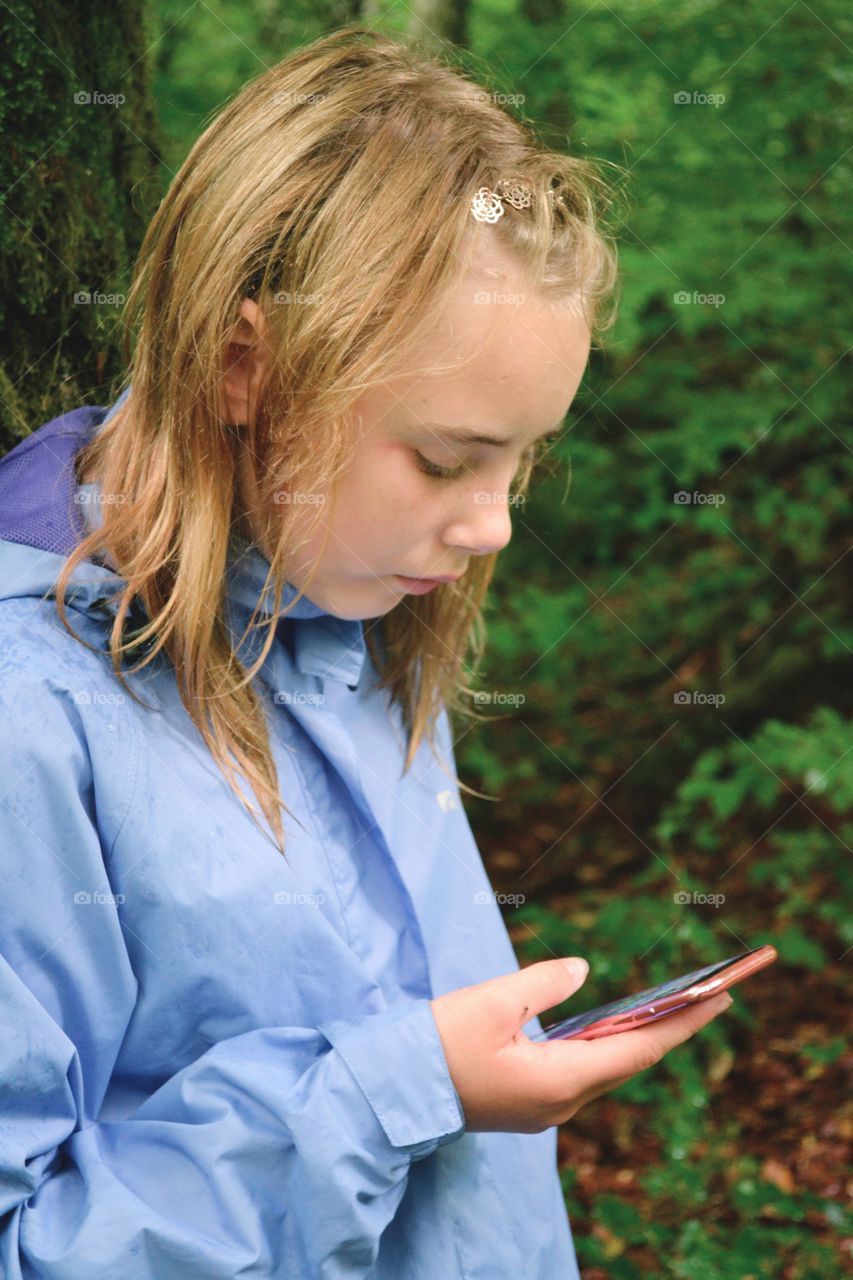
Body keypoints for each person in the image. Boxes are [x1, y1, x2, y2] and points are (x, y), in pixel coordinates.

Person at [0, 24, 734, 1280]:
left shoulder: (354, 613)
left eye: (525, 456)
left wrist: (461, 1080)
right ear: (246, 366)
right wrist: (399, 1091)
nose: (496, 521)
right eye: (448, 458)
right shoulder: (33, 720)